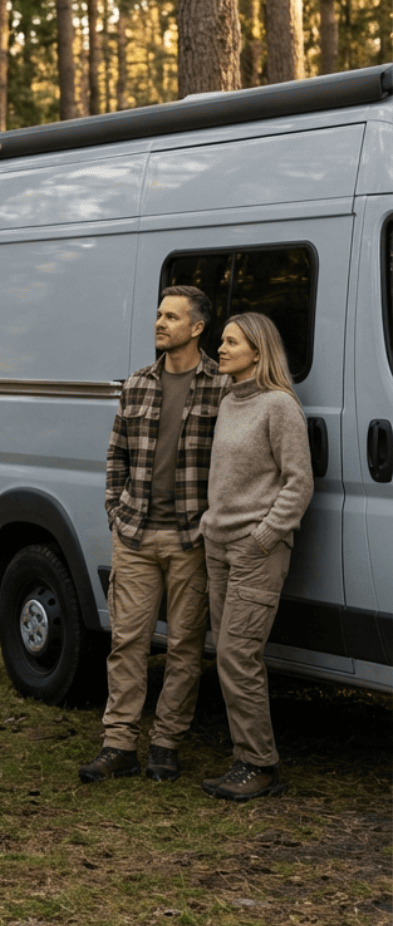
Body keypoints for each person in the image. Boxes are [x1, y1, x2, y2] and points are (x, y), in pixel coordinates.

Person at [80, 285, 229, 785]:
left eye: (172, 317)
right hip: (136, 536)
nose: (160, 323)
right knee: (127, 643)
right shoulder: (138, 384)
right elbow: (116, 455)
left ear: (197, 328)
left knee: (185, 648)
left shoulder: (222, 386)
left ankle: (166, 744)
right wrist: (116, 511)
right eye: (159, 314)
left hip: (192, 539)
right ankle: (119, 745)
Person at [199, 311, 313, 801]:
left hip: (256, 550)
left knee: (236, 655)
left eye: (231, 342)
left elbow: (299, 482)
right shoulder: (230, 400)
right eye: (222, 340)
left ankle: (259, 764)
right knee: (227, 654)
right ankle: (244, 756)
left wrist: (263, 537)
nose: (220, 349)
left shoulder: (279, 405)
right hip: (218, 545)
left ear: (257, 351)